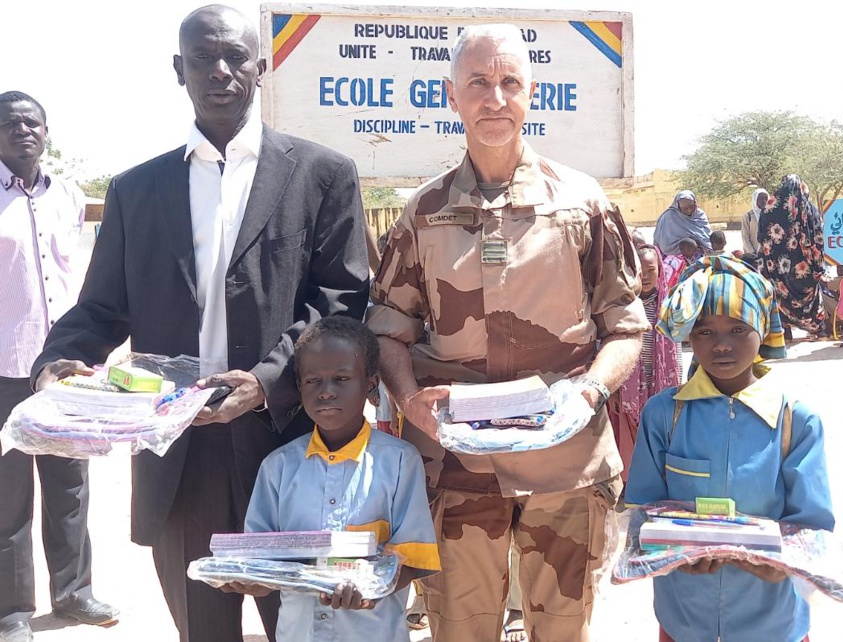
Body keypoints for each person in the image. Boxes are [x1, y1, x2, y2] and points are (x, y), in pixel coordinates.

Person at [30, 6, 369, 642]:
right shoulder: (137, 190)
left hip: (288, 443)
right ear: (177, 70)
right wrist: (61, 360)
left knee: (304, 627)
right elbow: (103, 308)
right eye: (203, 58)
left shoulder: (322, 174)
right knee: (203, 630)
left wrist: (266, 382)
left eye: (236, 57)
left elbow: (341, 302)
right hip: (177, 454)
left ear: (260, 68)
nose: (221, 71)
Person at [368, 24, 648, 642]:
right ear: (451, 96)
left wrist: (590, 393)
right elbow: (387, 331)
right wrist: (410, 399)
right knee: (459, 632)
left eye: (509, 82)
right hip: (458, 471)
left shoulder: (580, 203)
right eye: (478, 83)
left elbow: (626, 328)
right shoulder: (423, 212)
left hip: (566, 471)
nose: (494, 98)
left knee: (562, 632)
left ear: (531, 94)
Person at [626, 254, 834, 642]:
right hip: (684, 617)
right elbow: (642, 515)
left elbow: (813, 531)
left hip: (773, 621)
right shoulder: (664, 416)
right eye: (705, 332)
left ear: (762, 329)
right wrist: (670, 554)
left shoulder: (795, 421)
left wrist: (782, 564)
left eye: (738, 329)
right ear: (688, 335)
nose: (722, 345)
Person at [225, 317, 439, 642]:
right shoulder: (278, 468)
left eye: (341, 378)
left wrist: (370, 588)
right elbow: (262, 560)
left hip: (373, 633)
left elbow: (414, 558)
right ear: (299, 388)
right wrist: (247, 578)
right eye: (313, 381)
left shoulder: (399, 462)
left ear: (370, 386)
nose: (327, 392)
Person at [0, 91, 117, 642]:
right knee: (8, 494)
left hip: (65, 371)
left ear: (47, 132)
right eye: (10, 123)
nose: (23, 130)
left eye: (33, 122)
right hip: (3, 368)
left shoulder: (69, 196)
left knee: (70, 484)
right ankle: (12, 610)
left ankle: (74, 594)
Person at [606, 245, 681, 482]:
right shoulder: (622, 305)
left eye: (652, 269)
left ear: (660, 271)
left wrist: (678, 387)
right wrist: (613, 388)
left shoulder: (670, 306)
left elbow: (676, 349)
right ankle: (632, 483)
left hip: (660, 384)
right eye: (641, 270)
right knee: (629, 436)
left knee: (660, 432)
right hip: (628, 387)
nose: (646, 276)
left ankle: (656, 482)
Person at [758, 174, 826, 337]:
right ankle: (817, 328)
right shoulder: (809, 209)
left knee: (782, 296)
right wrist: (819, 265)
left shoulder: (769, 210)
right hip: (805, 265)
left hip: (779, 267)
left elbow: (762, 239)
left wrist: (766, 265)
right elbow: (818, 238)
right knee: (811, 296)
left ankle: (786, 331)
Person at [653, 190, 712, 256]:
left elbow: (707, 237)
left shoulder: (699, 214)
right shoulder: (668, 217)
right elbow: (665, 246)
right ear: (678, 207)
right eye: (685, 209)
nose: (689, 210)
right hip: (673, 257)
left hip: (699, 255)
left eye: (692, 207)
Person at [742, 188, 768, 254]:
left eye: (766, 198)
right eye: (761, 199)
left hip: (767, 254)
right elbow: (745, 238)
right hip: (752, 254)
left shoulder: (770, 215)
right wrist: (752, 253)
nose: (764, 201)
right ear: (755, 200)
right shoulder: (748, 216)